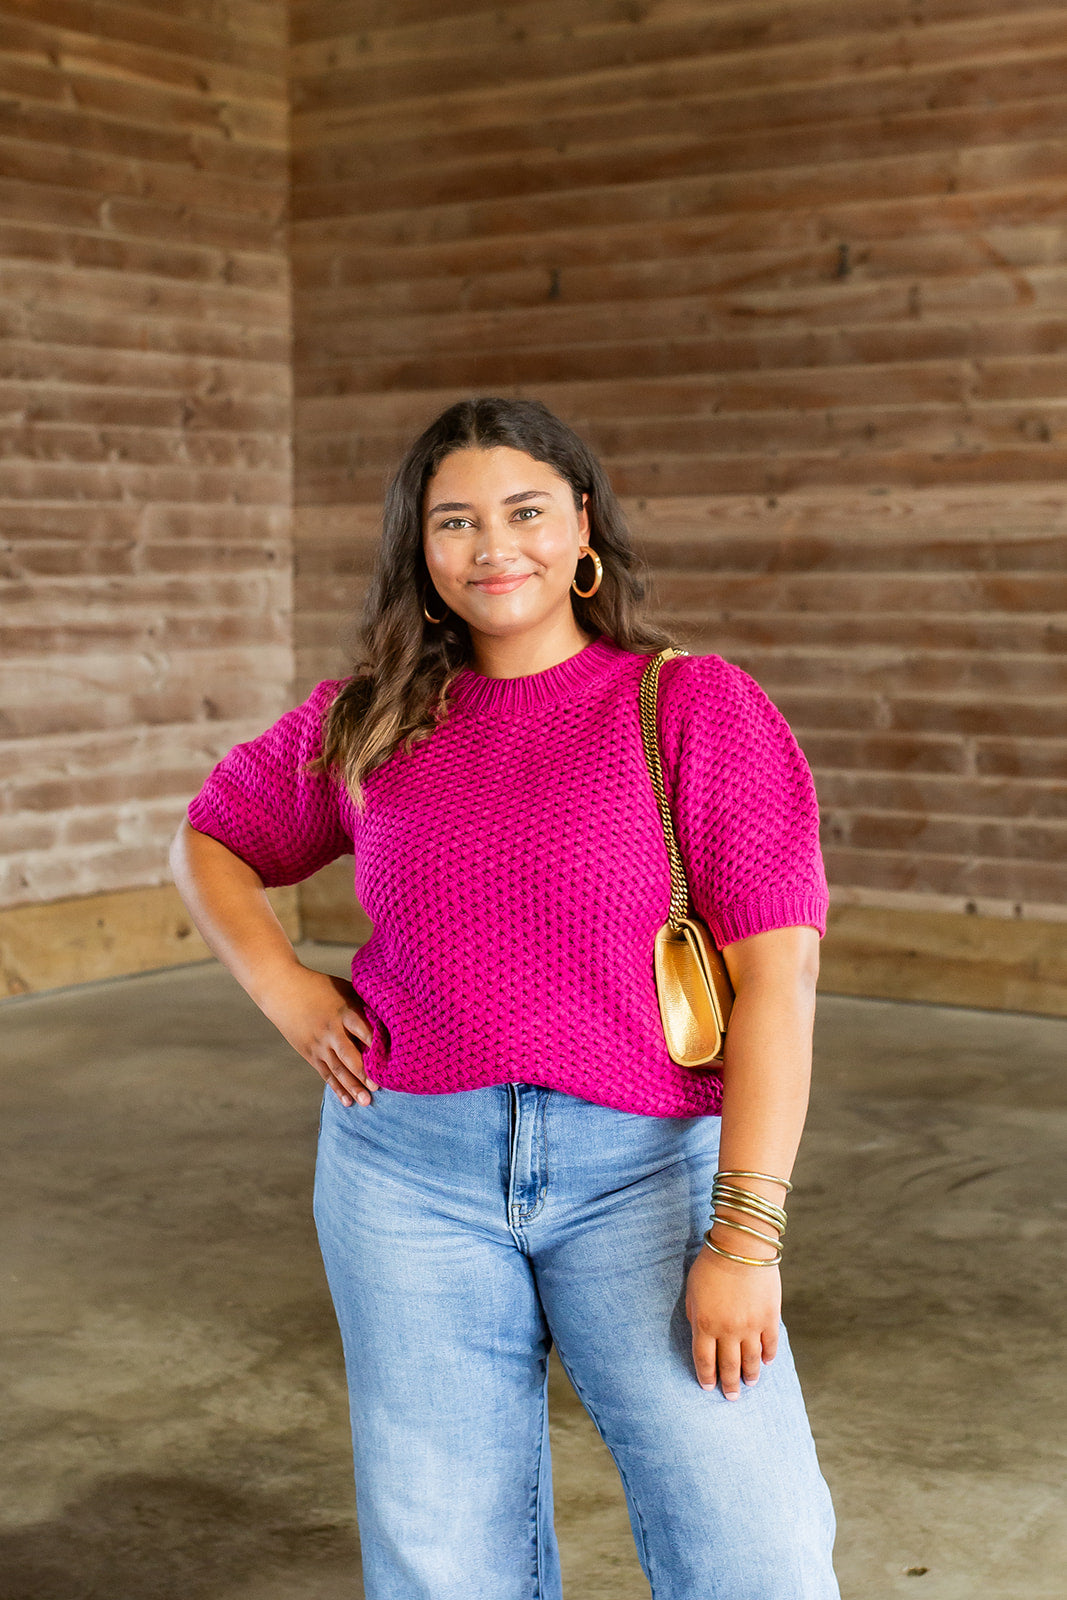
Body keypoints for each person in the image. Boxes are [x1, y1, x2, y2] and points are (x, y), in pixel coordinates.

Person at [170, 396, 841, 1600]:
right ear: (420, 555)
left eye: (524, 511)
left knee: (753, 1545)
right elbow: (212, 837)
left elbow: (777, 981)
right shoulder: (372, 715)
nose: (495, 547)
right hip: (404, 1174)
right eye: (456, 523)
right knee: (443, 1558)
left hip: (641, 1170)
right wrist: (281, 986)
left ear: (580, 526)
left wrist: (744, 1235)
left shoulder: (694, 707)